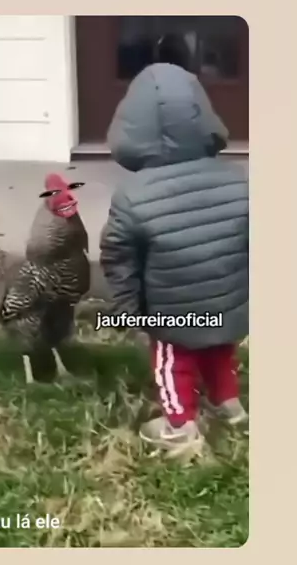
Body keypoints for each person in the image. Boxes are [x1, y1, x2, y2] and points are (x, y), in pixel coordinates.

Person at [99, 35, 249, 458]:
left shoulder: (133, 195)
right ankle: (229, 406)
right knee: (219, 350)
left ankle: (179, 427)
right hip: (228, 303)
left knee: (172, 363)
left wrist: (129, 310)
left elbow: (119, 260)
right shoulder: (236, 179)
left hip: (171, 311)